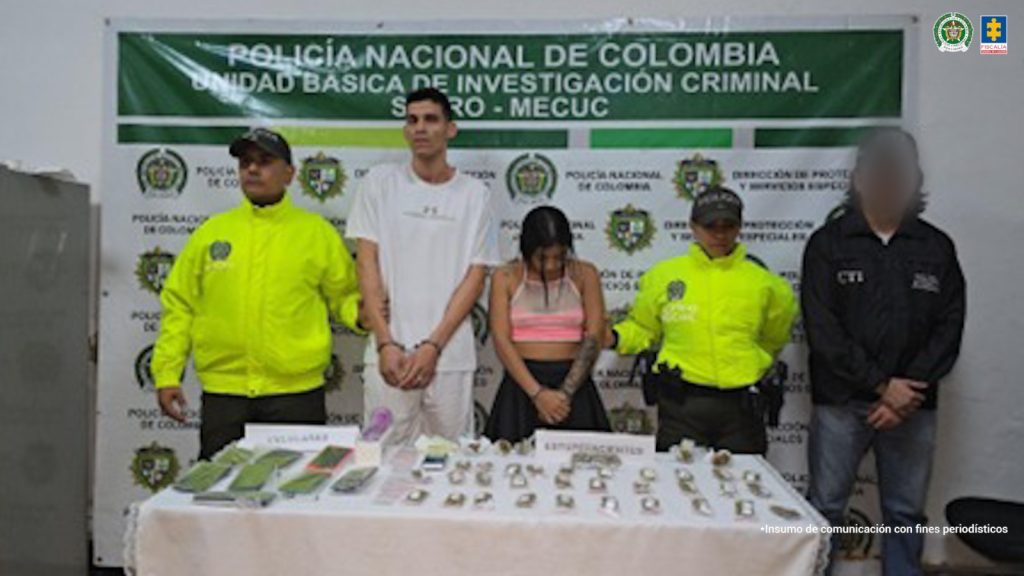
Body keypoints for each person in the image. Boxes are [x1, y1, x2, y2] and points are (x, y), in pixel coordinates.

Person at [803, 128, 966, 575]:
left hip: (913, 405)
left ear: (915, 179)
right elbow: (823, 331)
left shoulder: (936, 247)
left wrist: (903, 393)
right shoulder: (828, 244)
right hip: (841, 403)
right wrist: (879, 385)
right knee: (825, 507)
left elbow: (949, 327)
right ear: (859, 179)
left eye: (899, 173)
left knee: (905, 512)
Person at [152, 128, 364, 459]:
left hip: (296, 396)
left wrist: (363, 316)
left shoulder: (317, 234)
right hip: (225, 396)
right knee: (219, 487)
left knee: (295, 487)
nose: (252, 169)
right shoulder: (211, 234)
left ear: (289, 174)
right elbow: (180, 306)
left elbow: (345, 296)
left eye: (264, 161)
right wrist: (167, 373)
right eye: (245, 163)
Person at [347, 87, 500, 445]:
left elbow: (475, 278)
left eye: (431, 120)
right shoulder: (379, 183)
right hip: (389, 356)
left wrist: (433, 347)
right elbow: (367, 265)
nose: (420, 128)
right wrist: (385, 343)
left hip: (450, 357)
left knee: (450, 461)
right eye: (412, 120)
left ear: (450, 129)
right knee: (382, 458)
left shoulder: (475, 194)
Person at [607, 186, 797, 453]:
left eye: (728, 226)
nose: (719, 234)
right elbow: (643, 328)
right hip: (681, 406)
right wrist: (615, 337)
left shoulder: (769, 286)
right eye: (710, 226)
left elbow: (774, 338)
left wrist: (750, 363)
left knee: (742, 480)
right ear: (693, 227)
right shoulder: (663, 276)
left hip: (741, 409)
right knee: (676, 478)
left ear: (739, 227)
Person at [484, 206, 610, 443]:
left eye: (559, 257)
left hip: (574, 385)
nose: (551, 265)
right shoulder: (505, 276)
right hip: (522, 384)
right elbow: (501, 339)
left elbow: (594, 336)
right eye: (542, 258)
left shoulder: (586, 274)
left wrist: (564, 395)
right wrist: (538, 394)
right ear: (526, 249)